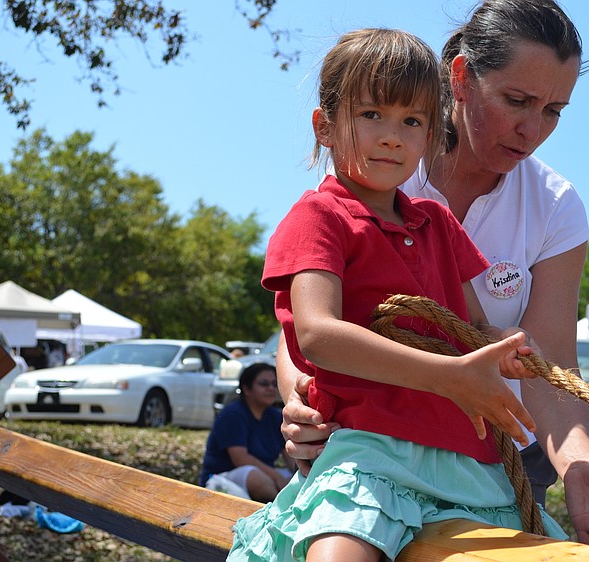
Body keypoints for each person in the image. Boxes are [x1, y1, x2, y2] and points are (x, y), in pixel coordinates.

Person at [277, 2, 589, 561]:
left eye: (554, 110)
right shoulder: (375, 166)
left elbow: (545, 360)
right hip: (369, 439)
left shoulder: (555, 206)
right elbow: (307, 322)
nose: (532, 129)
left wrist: (581, 462)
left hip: (488, 453)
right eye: (516, 101)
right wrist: (302, 403)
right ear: (460, 79)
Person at [228, 27, 567, 562]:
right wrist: (451, 377)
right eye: (371, 115)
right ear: (325, 127)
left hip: (466, 463)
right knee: (341, 555)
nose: (392, 136)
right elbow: (316, 334)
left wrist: (504, 344)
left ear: (431, 134)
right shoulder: (319, 217)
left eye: (411, 121)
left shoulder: (437, 223)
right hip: (370, 453)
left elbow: (471, 329)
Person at [200, 360, 295, 502]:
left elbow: (289, 455)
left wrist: (297, 475)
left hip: (265, 473)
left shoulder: (275, 416)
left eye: (274, 384)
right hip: (223, 478)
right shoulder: (233, 415)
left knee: (297, 478)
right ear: (246, 389)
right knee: (254, 476)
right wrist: (277, 478)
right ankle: (286, 506)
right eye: (264, 384)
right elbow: (241, 459)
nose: (271, 388)